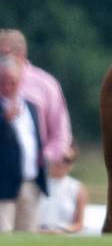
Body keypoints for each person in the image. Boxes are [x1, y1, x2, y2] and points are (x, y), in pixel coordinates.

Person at [0, 30, 72, 164]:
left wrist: (41, 158)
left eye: (3, 55)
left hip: (33, 174)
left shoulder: (46, 85)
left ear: (21, 54)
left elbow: (61, 135)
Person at [0, 55, 48, 232]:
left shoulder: (31, 107)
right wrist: (4, 121)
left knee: (27, 239)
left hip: (30, 182)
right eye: (3, 82)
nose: (7, 87)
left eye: (12, 81)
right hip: (3, 185)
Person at [38, 144, 88, 234]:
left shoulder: (78, 189)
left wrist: (60, 231)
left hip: (63, 236)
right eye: (58, 157)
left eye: (67, 160)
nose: (61, 163)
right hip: (35, 234)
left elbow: (79, 224)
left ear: (72, 164)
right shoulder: (35, 184)